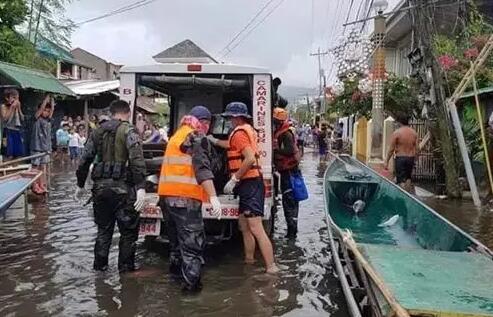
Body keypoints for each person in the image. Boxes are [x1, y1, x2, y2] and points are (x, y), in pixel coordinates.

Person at [75, 100, 146, 273]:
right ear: (127, 113)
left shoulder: (97, 132)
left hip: (100, 190)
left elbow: (84, 160)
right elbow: (137, 160)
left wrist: (80, 184)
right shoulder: (129, 130)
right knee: (128, 234)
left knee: (103, 232)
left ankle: (99, 272)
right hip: (123, 191)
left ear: (112, 112)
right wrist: (141, 187)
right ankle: (126, 273)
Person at [158, 105, 221, 292]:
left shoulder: (177, 134)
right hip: (185, 199)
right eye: (208, 123)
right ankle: (190, 295)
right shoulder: (196, 136)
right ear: (202, 122)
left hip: (166, 198)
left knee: (176, 245)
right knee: (192, 249)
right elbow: (202, 169)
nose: (208, 127)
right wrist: (214, 197)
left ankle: (174, 284)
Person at [210, 102, 278, 273]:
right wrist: (214, 140)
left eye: (230, 118)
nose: (229, 121)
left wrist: (234, 178)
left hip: (251, 185)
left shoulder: (240, 133)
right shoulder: (243, 131)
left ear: (236, 117)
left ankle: (272, 267)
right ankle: (249, 261)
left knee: (256, 228)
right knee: (244, 226)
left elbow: (249, 158)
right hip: (247, 185)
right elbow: (231, 146)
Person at [272, 108, 301, 239]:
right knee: (290, 201)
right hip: (289, 172)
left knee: (289, 201)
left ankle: (291, 233)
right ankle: (291, 231)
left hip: (289, 173)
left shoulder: (286, 134)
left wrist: (276, 151)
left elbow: (289, 150)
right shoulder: (284, 132)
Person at [384, 115, 418, 193]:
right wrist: (415, 158)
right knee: (408, 178)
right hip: (410, 158)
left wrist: (386, 161)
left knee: (401, 180)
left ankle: (403, 196)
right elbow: (417, 148)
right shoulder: (414, 133)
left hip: (401, 158)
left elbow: (391, 149)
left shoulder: (397, 133)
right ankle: (408, 195)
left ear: (399, 122)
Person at [31, 95, 55, 194]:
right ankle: (34, 185)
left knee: (43, 168)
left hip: (45, 148)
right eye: (45, 110)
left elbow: (52, 110)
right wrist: (46, 98)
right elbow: (41, 109)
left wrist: (52, 98)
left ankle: (42, 185)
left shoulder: (48, 120)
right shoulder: (36, 118)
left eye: (48, 111)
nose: (46, 112)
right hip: (36, 147)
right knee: (35, 167)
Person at [1, 88, 25, 159]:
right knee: (8, 152)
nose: (15, 100)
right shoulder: (3, 106)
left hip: (16, 130)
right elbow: (5, 119)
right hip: (7, 130)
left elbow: (22, 119)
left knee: (18, 153)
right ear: (6, 98)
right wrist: (12, 107)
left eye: (17, 98)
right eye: (13, 98)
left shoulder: (17, 107)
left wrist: (19, 108)